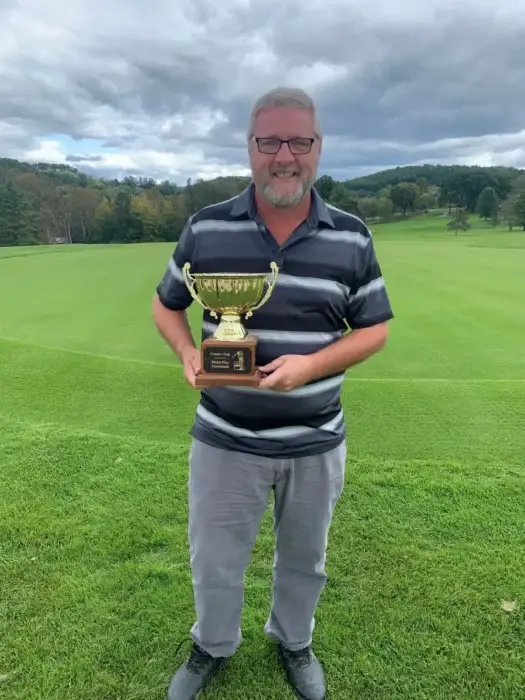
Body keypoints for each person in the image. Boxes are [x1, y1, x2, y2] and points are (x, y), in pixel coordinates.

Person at [152, 86, 394, 700]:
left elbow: (375, 329)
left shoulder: (351, 235)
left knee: (305, 560)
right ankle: (212, 645)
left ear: (318, 147)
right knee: (214, 559)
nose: (284, 156)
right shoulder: (205, 227)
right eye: (270, 142)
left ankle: (294, 639)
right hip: (224, 438)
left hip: (314, 440)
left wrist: (310, 366)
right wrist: (187, 353)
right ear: (250, 147)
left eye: (299, 142)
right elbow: (166, 304)